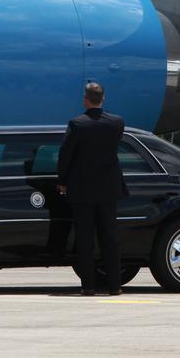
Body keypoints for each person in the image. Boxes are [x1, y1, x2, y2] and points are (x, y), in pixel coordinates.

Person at [55, 81, 128, 296]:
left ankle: (88, 286)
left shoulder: (77, 124)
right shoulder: (117, 123)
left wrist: (62, 179)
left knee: (85, 239)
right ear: (103, 99)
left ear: (85, 99)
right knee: (110, 238)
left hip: (83, 189)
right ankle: (115, 285)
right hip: (108, 188)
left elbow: (66, 154)